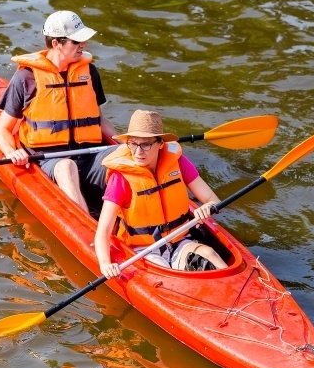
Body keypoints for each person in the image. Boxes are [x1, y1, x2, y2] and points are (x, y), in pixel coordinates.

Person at [0, 10, 119, 216]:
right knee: (66, 166)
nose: (83, 45)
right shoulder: (26, 78)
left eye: (83, 40)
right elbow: (3, 130)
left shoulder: (89, 72)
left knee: (123, 155)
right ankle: (85, 226)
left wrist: (125, 143)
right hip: (50, 160)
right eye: (76, 41)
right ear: (56, 44)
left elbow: (99, 120)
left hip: (89, 156)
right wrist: (11, 152)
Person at [95, 110, 229, 279]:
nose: (138, 152)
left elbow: (212, 200)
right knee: (167, 276)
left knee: (209, 254)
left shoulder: (178, 162)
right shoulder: (120, 178)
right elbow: (103, 230)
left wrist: (207, 208)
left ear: (160, 143)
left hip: (179, 240)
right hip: (143, 250)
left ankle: (244, 299)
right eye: (133, 144)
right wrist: (105, 263)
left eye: (145, 145)